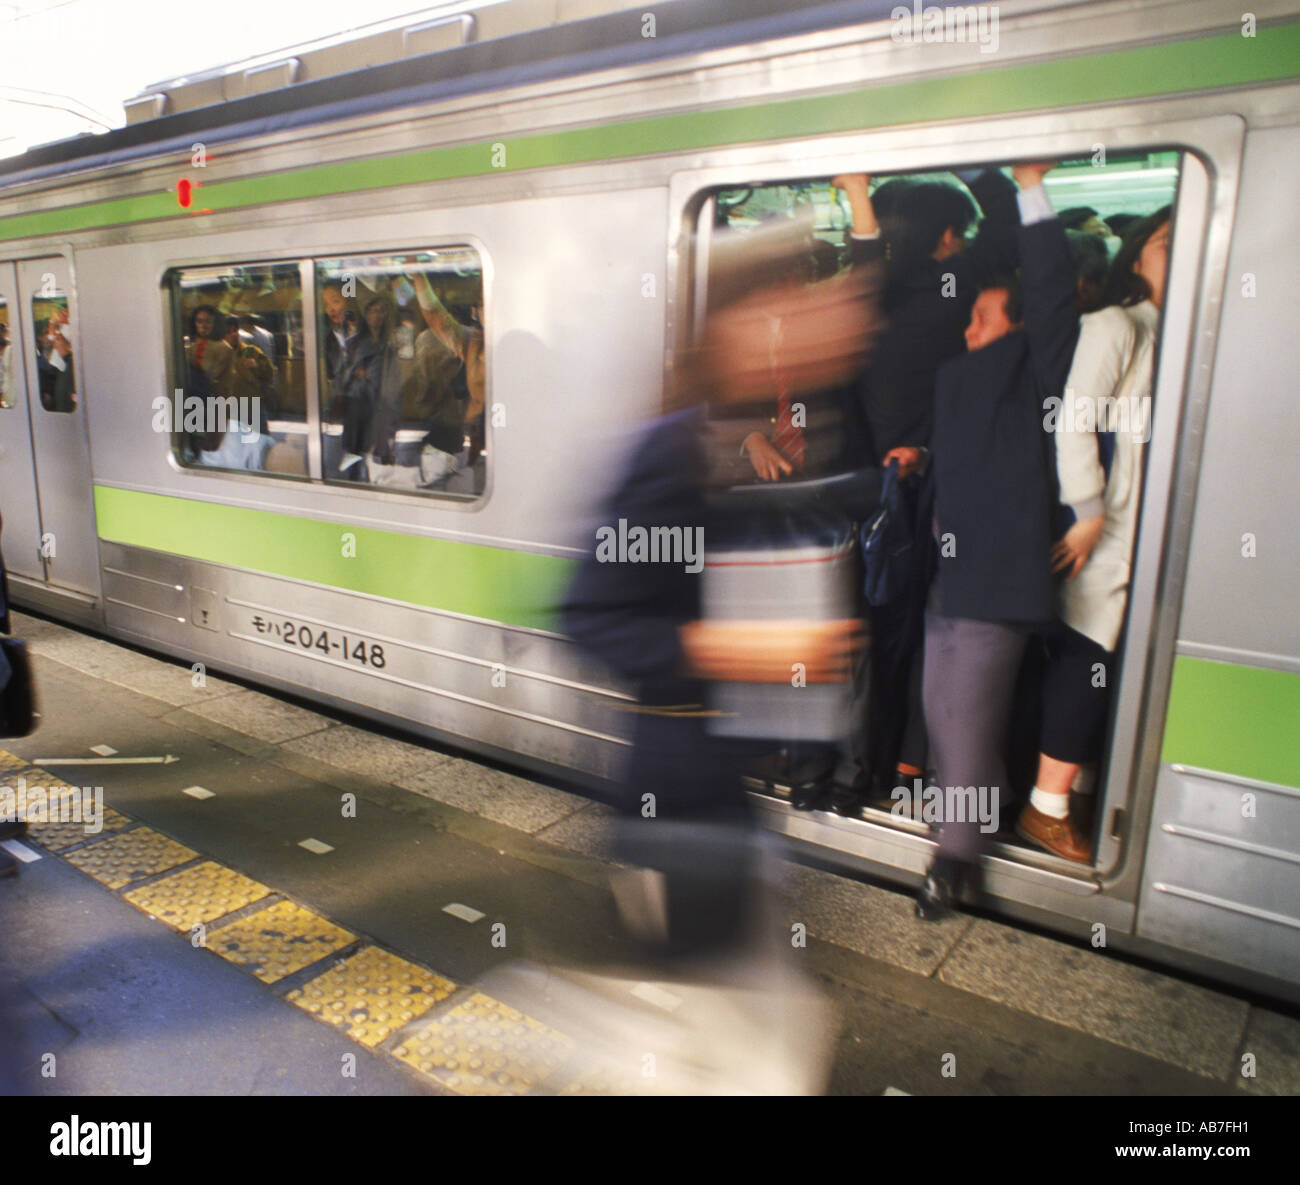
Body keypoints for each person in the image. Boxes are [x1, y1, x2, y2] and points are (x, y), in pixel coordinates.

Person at [562, 222, 877, 961]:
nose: (807, 323)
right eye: (787, 306)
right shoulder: (672, 449)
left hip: (719, 788)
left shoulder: (731, 446)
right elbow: (589, 612)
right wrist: (741, 650)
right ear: (737, 321)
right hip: (674, 800)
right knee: (688, 1004)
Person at [826, 168, 1023, 816]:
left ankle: (865, 767)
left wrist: (858, 196)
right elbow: (1008, 241)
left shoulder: (867, 300)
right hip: (929, 494)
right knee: (920, 640)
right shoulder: (959, 294)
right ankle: (907, 772)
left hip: (866, 494)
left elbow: (864, 257)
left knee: (870, 635)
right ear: (947, 236)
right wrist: (992, 175)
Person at [916, 161, 1079, 920]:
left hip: (1000, 583)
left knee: (964, 714)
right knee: (941, 704)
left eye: (984, 316)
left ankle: (955, 865)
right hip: (952, 578)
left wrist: (1031, 191)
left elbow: (1050, 300)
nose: (971, 327)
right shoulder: (964, 378)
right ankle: (978, 810)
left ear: (1016, 328)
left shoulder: (1035, 369)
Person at [1016, 207, 1171, 861]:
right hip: (1105, 528)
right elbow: (1076, 421)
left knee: (1103, 662)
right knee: (1089, 657)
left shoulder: (1177, 331)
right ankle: (1044, 808)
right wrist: (1086, 513)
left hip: (1141, 531)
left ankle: (1070, 790)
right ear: (1135, 257)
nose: (1178, 249)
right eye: (1165, 242)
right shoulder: (1119, 325)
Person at [37, 305, 76, 413]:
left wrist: (67, 350)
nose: (63, 313)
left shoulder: (78, 328)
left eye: (67, 312)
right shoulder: (63, 328)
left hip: (68, 368)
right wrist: (52, 325)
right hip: (59, 368)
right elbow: (51, 339)